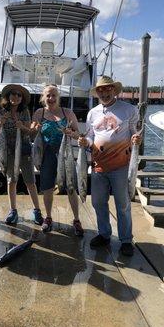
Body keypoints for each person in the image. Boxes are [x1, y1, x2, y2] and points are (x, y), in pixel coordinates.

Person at [78, 75, 142, 257]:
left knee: (123, 204)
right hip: (98, 166)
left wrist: (137, 139)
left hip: (122, 166)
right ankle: (104, 234)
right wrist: (86, 142)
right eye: (100, 89)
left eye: (107, 88)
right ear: (97, 92)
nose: (104, 92)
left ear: (114, 90)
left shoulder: (129, 110)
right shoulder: (93, 113)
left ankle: (126, 240)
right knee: (98, 203)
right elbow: (91, 136)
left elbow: (134, 134)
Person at [31, 84, 84, 235]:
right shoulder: (39, 113)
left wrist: (70, 132)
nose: (51, 98)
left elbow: (78, 134)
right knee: (47, 188)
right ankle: (48, 217)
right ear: (43, 97)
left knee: (71, 187)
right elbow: (32, 134)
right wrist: (35, 129)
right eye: (48, 95)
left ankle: (76, 219)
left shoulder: (67, 113)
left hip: (65, 154)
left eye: (54, 95)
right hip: (46, 154)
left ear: (58, 97)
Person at [0, 84, 44, 225]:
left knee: (30, 182)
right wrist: (0, 123)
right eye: (13, 94)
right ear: (8, 96)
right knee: (12, 181)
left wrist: (21, 126)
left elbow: (30, 132)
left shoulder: (25, 111)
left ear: (22, 98)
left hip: (24, 149)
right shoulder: (2, 111)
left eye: (19, 95)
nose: (15, 97)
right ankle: (13, 210)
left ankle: (37, 210)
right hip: (7, 150)